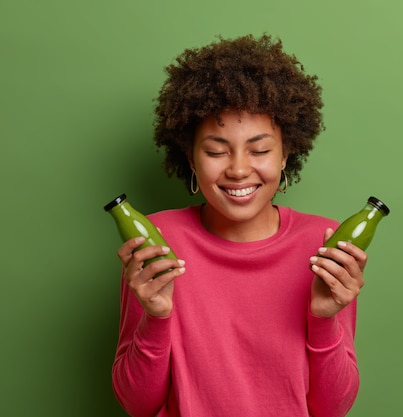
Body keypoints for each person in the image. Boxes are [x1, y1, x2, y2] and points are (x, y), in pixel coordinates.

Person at [112, 34, 368, 417]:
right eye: (216, 150)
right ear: (191, 158)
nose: (238, 169)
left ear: (286, 155)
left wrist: (325, 318)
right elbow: (138, 404)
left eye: (260, 150)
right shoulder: (157, 240)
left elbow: (332, 407)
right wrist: (156, 316)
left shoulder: (325, 243)